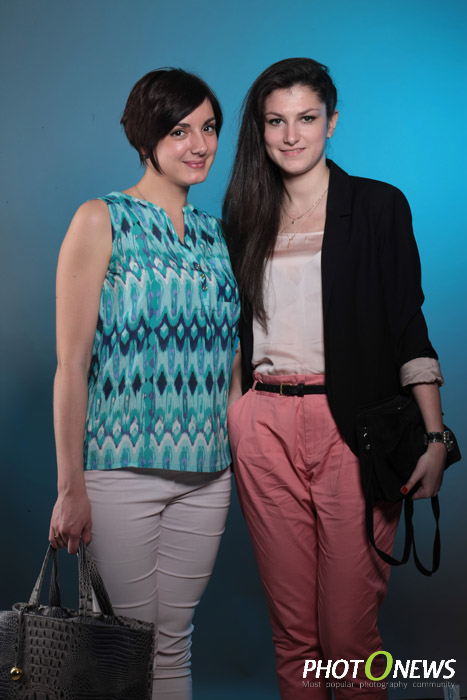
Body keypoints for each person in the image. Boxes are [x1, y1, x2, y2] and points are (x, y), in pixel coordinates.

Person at [223, 57, 447, 700]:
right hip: (264, 428)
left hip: (352, 428)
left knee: (347, 640)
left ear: (332, 122)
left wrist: (435, 438)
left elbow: (408, 326)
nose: (291, 135)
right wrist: (238, 414)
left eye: (306, 118)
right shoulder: (245, 215)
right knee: (294, 638)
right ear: (260, 130)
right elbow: (235, 328)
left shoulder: (377, 206)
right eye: (276, 121)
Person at [49, 68, 239, 700]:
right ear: (145, 136)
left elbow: (232, 363)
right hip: (119, 472)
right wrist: (70, 487)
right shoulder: (102, 219)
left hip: (208, 476)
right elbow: (71, 365)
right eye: (180, 130)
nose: (200, 145)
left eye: (209, 128)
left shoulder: (218, 236)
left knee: (173, 641)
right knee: (121, 653)